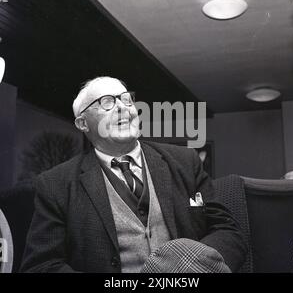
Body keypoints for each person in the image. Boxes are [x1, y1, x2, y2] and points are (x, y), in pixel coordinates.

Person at [20, 76, 247, 273]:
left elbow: (226, 230)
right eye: (107, 102)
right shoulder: (55, 184)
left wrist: (197, 268)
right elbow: (41, 265)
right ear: (82, 123)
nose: (123, 107)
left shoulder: (185, 161)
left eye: (126, 99)